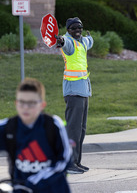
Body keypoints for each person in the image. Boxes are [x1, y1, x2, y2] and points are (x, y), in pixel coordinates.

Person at [55, 17, 94, 174]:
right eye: (73, 28)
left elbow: (89, 41)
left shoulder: (82, 42)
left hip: (83, 91)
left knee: (81, 130)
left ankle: (76, 161)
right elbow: (66, 43)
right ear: (68, 30)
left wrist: (89, 36)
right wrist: (61, 40)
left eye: (80, 28)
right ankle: (69, 163)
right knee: (73, 130)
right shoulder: (69, 43)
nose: (77, 30)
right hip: (73, 91)